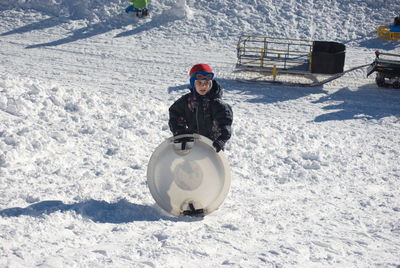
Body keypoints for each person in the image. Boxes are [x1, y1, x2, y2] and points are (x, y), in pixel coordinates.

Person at [169, 64, 233, 152]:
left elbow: (225, 122)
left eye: (206, 83)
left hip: (213, 145)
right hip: (193, 143)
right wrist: (180, 132)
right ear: (193, 83)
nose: (203, 86)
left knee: (210, 165)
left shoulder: (217, 104)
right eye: (199, 83)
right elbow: (175, 113)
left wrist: (221, 139)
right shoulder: (187, 101)